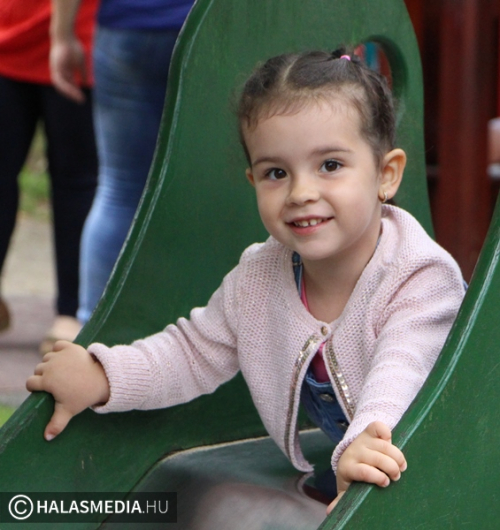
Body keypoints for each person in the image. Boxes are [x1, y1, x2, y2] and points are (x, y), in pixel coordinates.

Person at [27, 50, 466, 513]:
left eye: (330, 165)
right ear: (253, 179)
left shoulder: (419, 278)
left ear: (385, 174)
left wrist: (365, 444)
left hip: (447, 472)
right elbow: (191, 352)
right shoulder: (260, 277)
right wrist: (103, 375)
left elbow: (401, 375)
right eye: (276, 173)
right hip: (361, 472)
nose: (301, 193)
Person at [50, 0, 194, 324]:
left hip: (127, 26)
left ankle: (93, 327)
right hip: (204, 26)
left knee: (119, 191)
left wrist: (62, 36)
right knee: (202, 185)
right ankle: (198, 330)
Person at [0, 0, 98, 350]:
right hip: (9, 36)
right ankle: (72, 312)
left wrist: (62, 35)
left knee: (77, 182)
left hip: (78, 39)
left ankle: (72, 310)